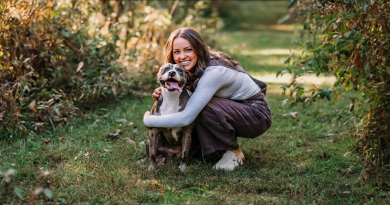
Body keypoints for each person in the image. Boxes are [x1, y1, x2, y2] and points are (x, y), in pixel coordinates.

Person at [143, 27, 272, 171]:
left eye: (188, 50)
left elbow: (186, 118)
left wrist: (149, 119)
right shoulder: (197, 66)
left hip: (256, 115)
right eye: (176, 52)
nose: (182, 56)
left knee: (199, 107)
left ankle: (234, 153)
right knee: (195, 103)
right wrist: (169, 91)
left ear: (198, 48)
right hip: (238, 108)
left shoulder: (213, 72)